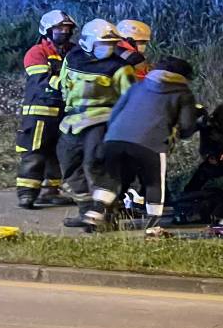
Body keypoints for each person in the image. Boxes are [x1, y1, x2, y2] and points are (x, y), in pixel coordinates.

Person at [84, 57, 200, 227]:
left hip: (114, 139)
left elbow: (116, 112)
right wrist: (198, 122)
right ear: (183, 76)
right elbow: (186, 127)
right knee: (154, 182)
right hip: (151, 144)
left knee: (110, 177)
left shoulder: (137, 86)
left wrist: (114, 134)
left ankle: (95, 213)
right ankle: (153, 226)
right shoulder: (182, 93)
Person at [56, 19, 137, 227]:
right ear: (88, 42)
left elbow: (131, 99)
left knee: (97, 166)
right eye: (103, 44)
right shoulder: (73, 58)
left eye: (111, 45)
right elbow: (64, 84)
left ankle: (106, 216)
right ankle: (86, 212)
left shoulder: (120, 68)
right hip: (72, 122)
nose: (108, 49)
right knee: (69, 167)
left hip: (102, 121)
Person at [15, 10, 77, 209]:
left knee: (58, 153)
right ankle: (27, 193)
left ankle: (51, 191)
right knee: (35, 152)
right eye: (59, 28)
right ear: (47, 30)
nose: (64, 32)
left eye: (67, 28)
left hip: (64, 111)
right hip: (40, 112)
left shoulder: (73, 51)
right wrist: (71, 85)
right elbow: (41, 81)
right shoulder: (37, 52)